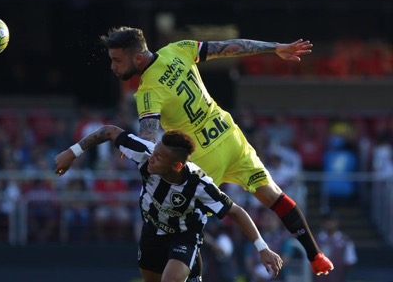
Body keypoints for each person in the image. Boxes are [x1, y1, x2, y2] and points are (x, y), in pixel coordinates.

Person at [100, 26, 333, 275]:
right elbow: (230, 47)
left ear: (137, 58)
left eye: (117, 60)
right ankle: (316, 255)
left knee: (185, 226)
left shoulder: (147, 92)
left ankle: (193, 277)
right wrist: (275, 47)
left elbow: (147, 136)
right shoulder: (178, 49)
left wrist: (131, 147)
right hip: (230, 137)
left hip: (203, 159)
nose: (113, 67)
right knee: (273, 196)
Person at [55, 125, 283, 282]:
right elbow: (109, 131)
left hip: (184, 234)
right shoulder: (145, 153)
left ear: (176, 166)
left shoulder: (199, 185)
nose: (152, 158)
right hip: (152, 230)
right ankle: (194, 271)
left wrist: (262, 248)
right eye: (155, 152)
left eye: (159, 157)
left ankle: (191, 264)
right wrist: (72, 152)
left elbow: (235, 211)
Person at [314, 212, 357, 282]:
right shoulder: (316, 240)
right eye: (327, 221)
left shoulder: (345, 241)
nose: (329, 223)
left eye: (332, 221)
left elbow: (349, 261)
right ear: (322, 223)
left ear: (337, 222)